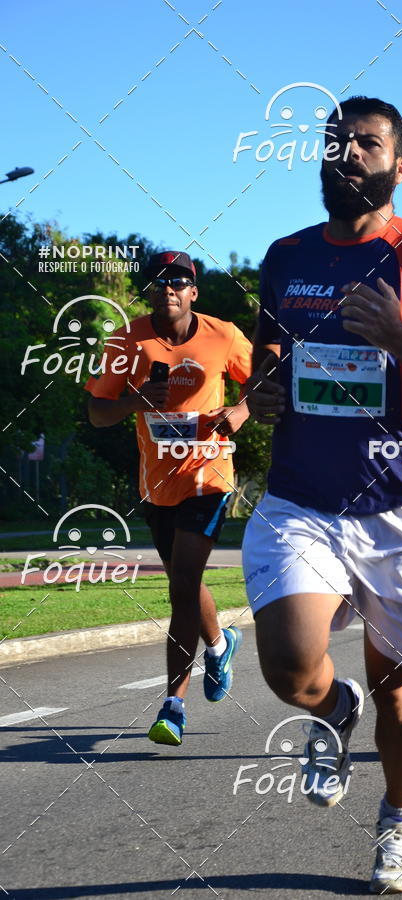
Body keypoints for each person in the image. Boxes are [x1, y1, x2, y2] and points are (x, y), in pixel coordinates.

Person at [242, 96, 402, 894]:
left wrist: (396, 335)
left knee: (400, 692)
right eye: (336, 141)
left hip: (400, 506)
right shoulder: (285, 256)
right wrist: (264, 390)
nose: (348, 152)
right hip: (302, 498)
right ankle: (331, 708)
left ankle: (399, 821)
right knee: (291, 667)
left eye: (367, 143)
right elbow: (267, 355)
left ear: (399, 166)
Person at [86, 251, 251, 746]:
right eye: (158, 282)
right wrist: (134, 402)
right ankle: (219, 644)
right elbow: (97, 412)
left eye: (178, 281)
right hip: (157, 483)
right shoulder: (126, 340)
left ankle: (173, 705)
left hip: (208, 474)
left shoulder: (223, 335)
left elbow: (269, 377)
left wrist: (241, 410)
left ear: (193, 291)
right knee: (184, 578)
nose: (168, 289)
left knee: (182, 583)